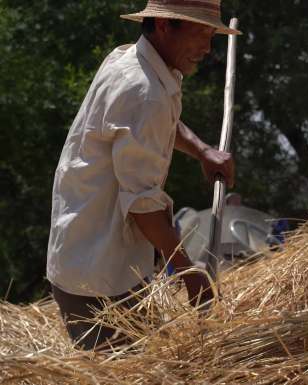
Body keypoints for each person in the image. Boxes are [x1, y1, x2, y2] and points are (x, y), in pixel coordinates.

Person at [46, 0, 240, 351]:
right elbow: (141, 205)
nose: (207, 49)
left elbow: (160, 122)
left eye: (212, 37)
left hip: (91, 256)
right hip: (99, 278)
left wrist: (202, 150)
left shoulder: (129, 61)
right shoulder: (144, 91)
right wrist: (188, 271)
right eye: (200, 34)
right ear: (165, 26)